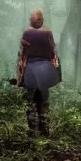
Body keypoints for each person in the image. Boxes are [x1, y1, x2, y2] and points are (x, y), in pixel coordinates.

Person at [16, 9, 61, 137]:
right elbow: (53, 52)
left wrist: (20, 76)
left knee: (30, 102)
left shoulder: (26, 33)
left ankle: (32, 132)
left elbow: (22, 56)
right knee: (43, 102)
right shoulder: (48, 33)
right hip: (44, 71)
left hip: (30, 71)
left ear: (31, 20)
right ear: (41, 20)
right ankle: (44, 132)